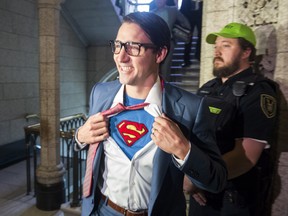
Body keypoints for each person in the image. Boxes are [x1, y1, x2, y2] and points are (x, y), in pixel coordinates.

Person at [75, 12, 227, 216]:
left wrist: (183, 149)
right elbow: (90, 145)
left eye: (133, 47)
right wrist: (80, 137)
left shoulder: (191, 108)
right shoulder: (101, 93)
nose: (121, 57)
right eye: (118, 45)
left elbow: (217, 180)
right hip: (101, 209)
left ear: (160, 54)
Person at [184, 22, 278, 216]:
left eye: (226, 45)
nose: (217, 51)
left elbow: (246, 156)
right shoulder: (208, 88)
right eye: (216, 46)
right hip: (201, 196)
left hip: (234, 200)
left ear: (246, 52)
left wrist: (199, 177)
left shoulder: (258, 92)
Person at [152, 0, 191, 81]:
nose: (158, 1)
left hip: (168, 43)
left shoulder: (172, 10)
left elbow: (185, 22)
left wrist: (178, 31)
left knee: (165, 69)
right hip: (155, 44)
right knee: (154, 68)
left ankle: (165, 90)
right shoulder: (152, 13)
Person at [180, 0, 203, 67]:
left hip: (200, 15)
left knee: (201, 35)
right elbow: (183, 7)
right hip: (189, 15)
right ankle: (186, 60)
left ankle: (198, 55)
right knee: (188, 37)